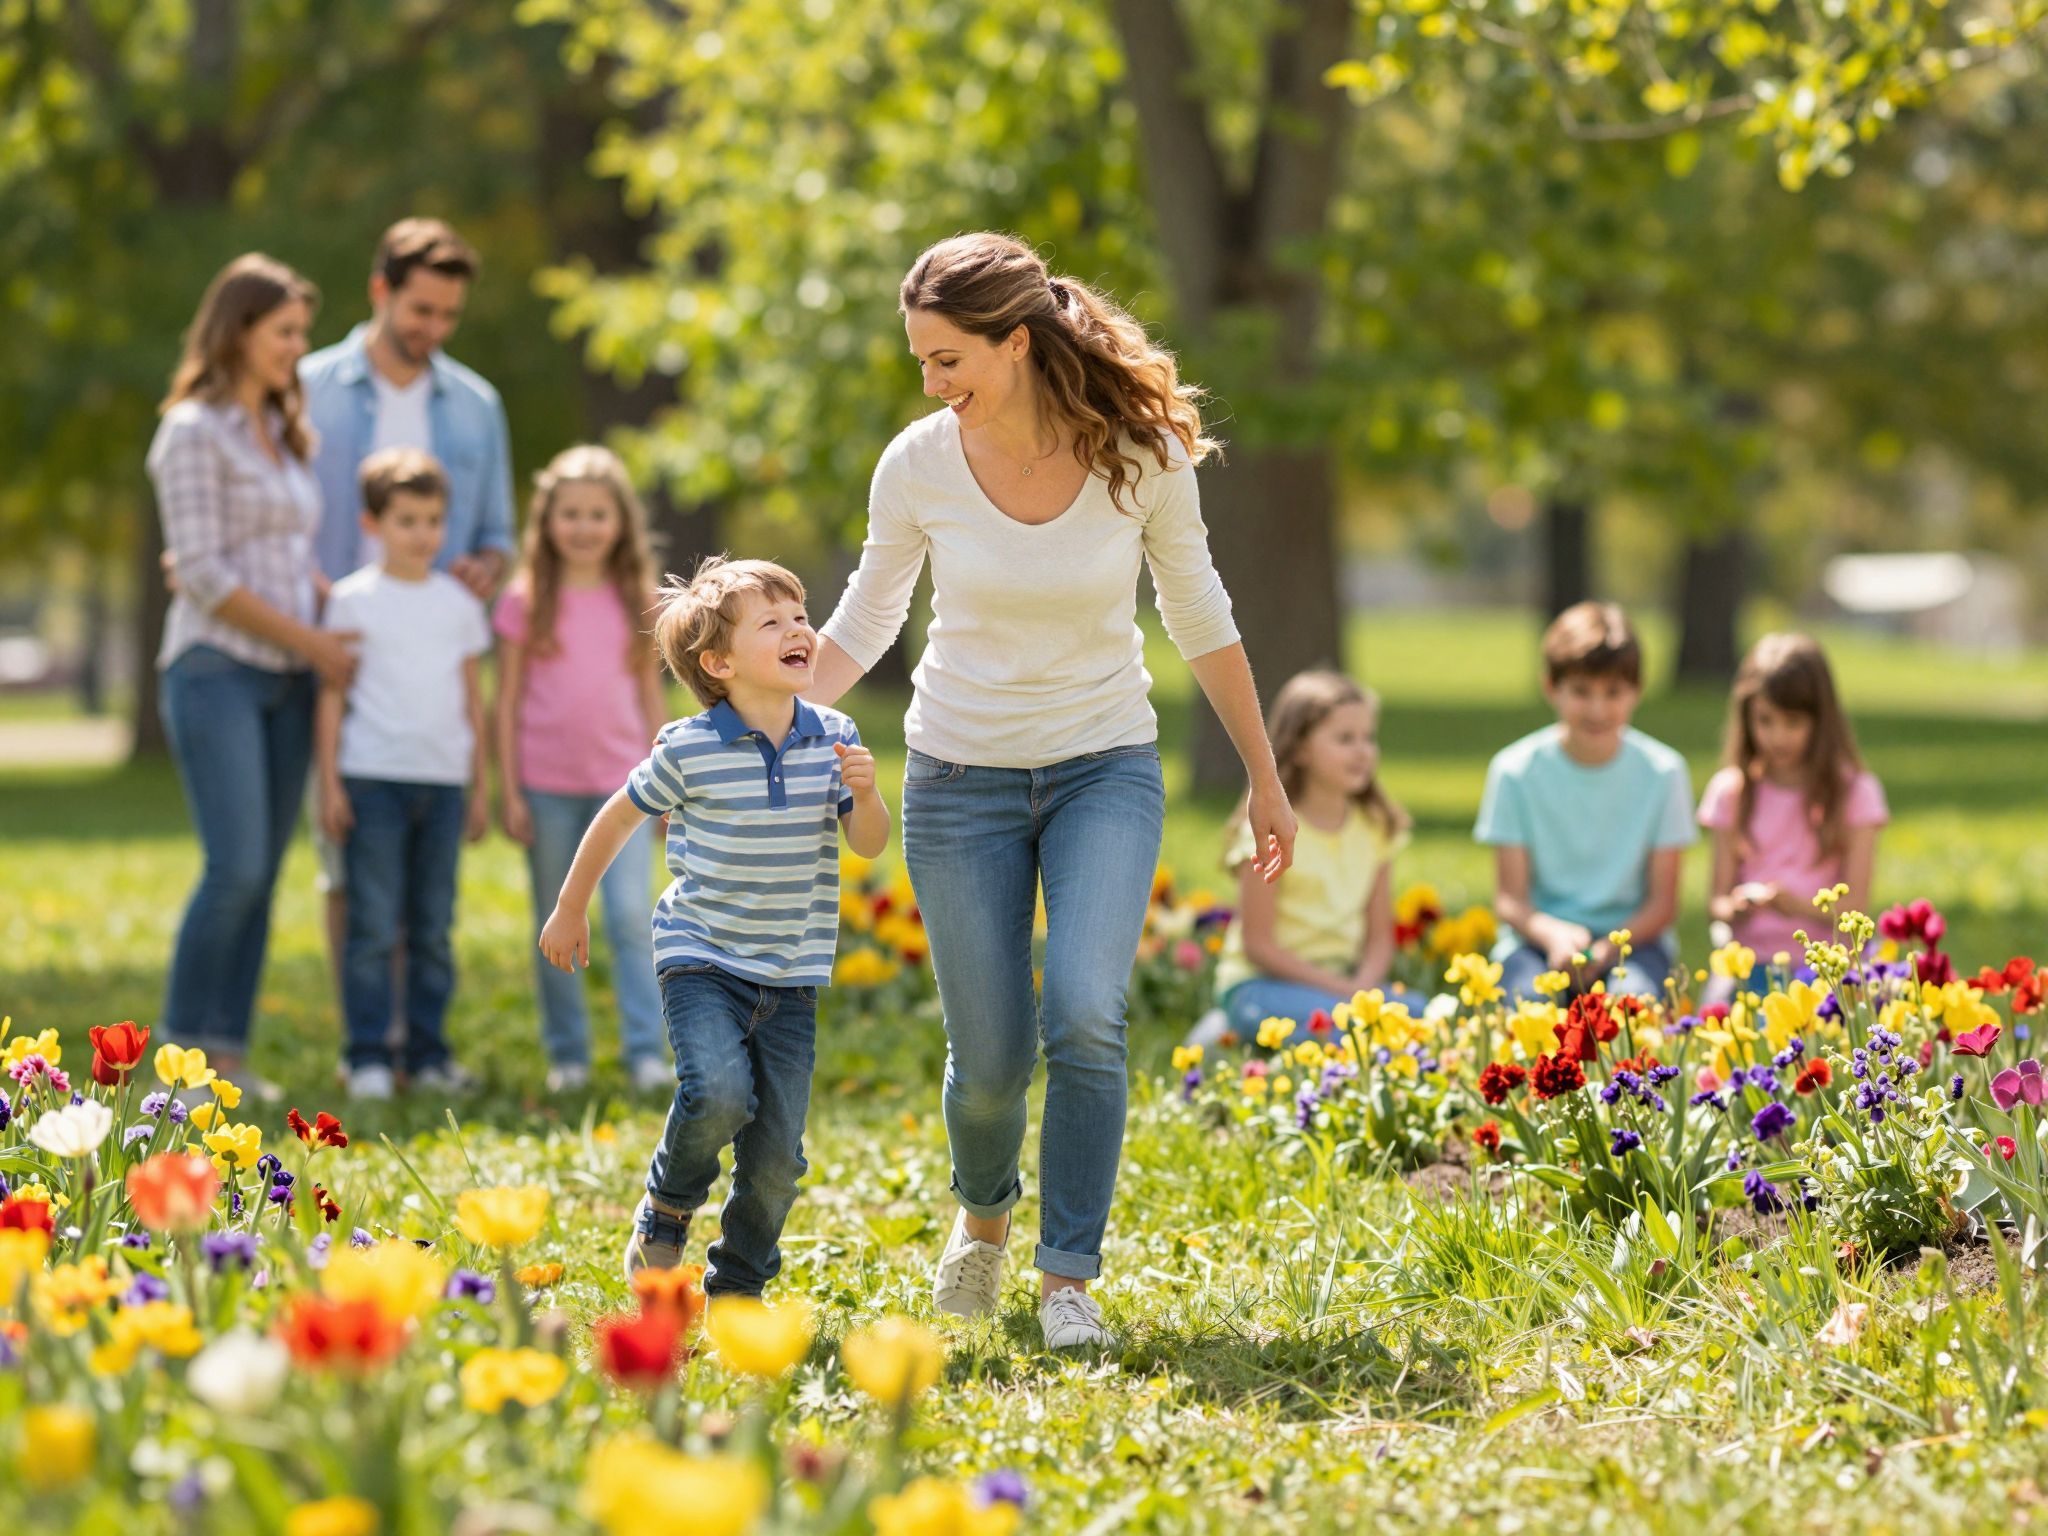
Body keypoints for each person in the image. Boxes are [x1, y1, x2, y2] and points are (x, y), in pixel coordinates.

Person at [805, 232, 1297, 1351]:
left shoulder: (1139, 453)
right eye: (921, 361)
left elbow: (1201, 615)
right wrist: (765, 721)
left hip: (1101, 765)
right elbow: (866, 620)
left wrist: (1264, 777)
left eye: (947, 360)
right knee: (986, 1061)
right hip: (957, 774)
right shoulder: (918, 463)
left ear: (1015, 342)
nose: (931, 385)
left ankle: (1065, 1275)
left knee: (1083, 1010)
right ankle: (981, 1220)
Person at [538, 558, 891, 1297]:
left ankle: (738, 1287)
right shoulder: (690, 748)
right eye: (774, 622)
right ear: (720, 663)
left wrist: (866, 795)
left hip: (791, 972)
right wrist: (572, 906)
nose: (800, 629)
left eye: (801, 615)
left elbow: (868, 844)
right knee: (719, 1092)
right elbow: (619, 816)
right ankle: (666, 1212)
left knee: (776, 1160)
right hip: (701, 956)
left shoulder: (836, 734)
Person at [147, 253, 356, 1086]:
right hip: (217, 669)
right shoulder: (191, 432)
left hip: (288, 679)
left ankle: (224, 1059)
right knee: (232, 866)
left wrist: (344, 611)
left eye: (303, 333)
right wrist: (312, 645)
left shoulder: (282, 430)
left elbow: (284, 554)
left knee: (262, 875)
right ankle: (174, 1062)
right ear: (236, 331)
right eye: (284, 332)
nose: (297, 349)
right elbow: (201, 573)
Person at [299, 217, 517, 1003]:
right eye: (420, 310)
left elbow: (498, 535)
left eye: (448, 316)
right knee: (346, 851)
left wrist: (484, 566)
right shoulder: (309, 385)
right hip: (336, 648)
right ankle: (363, 1026)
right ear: (381, 291)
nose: (433, 329)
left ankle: (406, 1030)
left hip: (428, 652)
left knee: (424, 882)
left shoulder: (474, 404)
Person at [315, 449, 491, 1100]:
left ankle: (426, 1055)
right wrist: (330, 782)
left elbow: (474, 700)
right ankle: (366, 1054)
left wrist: (480, 786)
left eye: (434, 520)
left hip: (443, 784)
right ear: (373, 522)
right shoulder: (351, 602)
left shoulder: (457, 605)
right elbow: (331, 697)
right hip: (370, 779)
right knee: (371, 924)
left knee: (434, 925)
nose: (422, 533)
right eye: (407, 519)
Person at [495, 446, 670, 1095]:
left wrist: (664, 783)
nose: (584, 526)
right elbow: (506, 700)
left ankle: (646, 1051)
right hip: (545, 787)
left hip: (624, 787)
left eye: (598, 513)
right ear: (546, 521)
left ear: (620, 522)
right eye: (570, 513)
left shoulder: (639, 603)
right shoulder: (524, 601)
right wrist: (508, 789)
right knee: (555, 919)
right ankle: (568, 1054)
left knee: (629, 916)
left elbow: (653, 699)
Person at [1475, 601, 1695, 1004]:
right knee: (1527, 1005)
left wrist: (1605, 950)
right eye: (1581, 692)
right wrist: (1553, 935)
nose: (1597, 709)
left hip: (1634, 944)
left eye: (1613, 692)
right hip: (1535, 942)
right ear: (1550, 687)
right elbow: (1511, 900)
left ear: (1637, 692)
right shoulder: (1514, 771)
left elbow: (1663, 904)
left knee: (1632, 1009)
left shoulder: (1664, 772)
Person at [1193, 671, 1414, 1049]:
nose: (1363, 751)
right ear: (1299, 749)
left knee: (1425, 1016)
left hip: (1342, 987)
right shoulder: (1268, 829)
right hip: (1262, 985)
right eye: (1345, 739)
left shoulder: (1377, 828)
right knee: (1354, 1033)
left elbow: (1380, 937)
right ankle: (1223, 1031)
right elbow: (1257, 946)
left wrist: (1361, 988)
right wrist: (1343, 993)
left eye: (1368, 738)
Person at [1698, 632, 1886, 1001]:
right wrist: (1736, 907)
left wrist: (1795, 904)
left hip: (1828, 968)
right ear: (1746, 717)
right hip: (1749, 963)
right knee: (1716, 1023)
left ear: (1821, 721)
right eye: (1765, 721)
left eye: (1793, 722)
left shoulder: (1855, 793)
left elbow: (1857, 907)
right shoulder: (1732, 791)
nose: (1777, 736)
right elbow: (1715, 902)